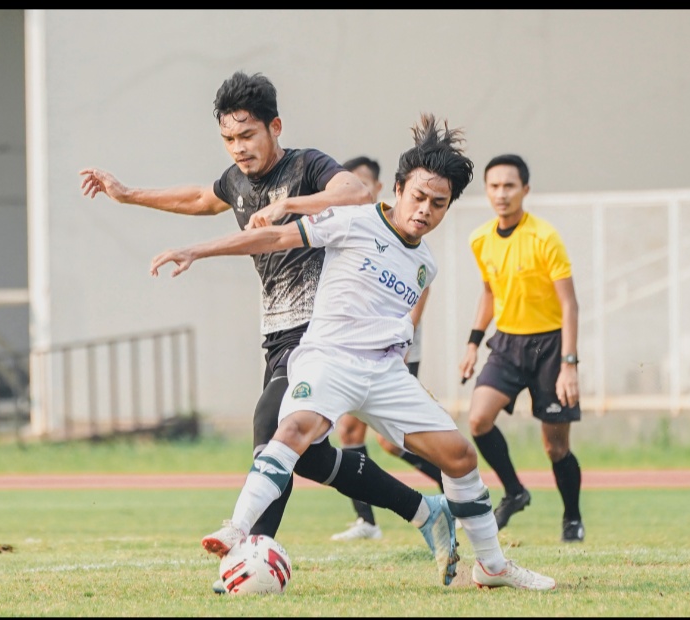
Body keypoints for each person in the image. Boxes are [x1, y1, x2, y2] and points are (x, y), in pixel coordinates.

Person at [79, 71, 459, 590]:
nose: (238, 149)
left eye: (247, 136)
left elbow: (356, 192)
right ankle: (425, 511)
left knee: (268, 426)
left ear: (274, 127)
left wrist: (287, 204)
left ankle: (245, 554)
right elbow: (199, 198)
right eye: (228, 139)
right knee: (310, 455)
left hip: (321, 330)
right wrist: (127, 195)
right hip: (277, 331)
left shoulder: (306, 165)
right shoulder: (237, 182)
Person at [152, 113, 556, 591]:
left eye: (438, 204)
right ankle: (238, 528)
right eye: (418, 196)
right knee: (294, 428)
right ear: (399, 189)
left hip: (385, 374)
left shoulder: (426, 264)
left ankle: (491, 566)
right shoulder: (353, 221)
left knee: (461, 458)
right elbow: (273, 237)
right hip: (330, 359)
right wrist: (199, 249)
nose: (424, 209)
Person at [458, 153, 585, 543]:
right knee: (478, 419)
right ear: (486, 190)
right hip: (508, 345)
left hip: (550, 346)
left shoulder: (544, 237)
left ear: (525, 190)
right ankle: (514, 491)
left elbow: (569, 304)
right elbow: (489, 294)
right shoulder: (480, 239)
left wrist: (568, 364)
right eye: (494, 186)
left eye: (509, 186)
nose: (501, 194)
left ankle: (572, 518)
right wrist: (473, 344)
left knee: (555, 446)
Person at [331, 155, 446, 542]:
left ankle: (452, 489)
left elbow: (418, 290)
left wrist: (404, 339)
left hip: (395, 350)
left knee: (391, 442)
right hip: (352, 350)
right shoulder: (352, 227)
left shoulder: (405, 234)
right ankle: (367, 522)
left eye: (362, 185)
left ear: (382, 189)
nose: (355, 192)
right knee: (349, 431)